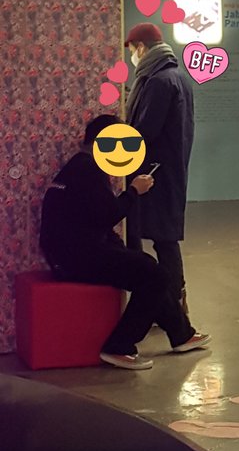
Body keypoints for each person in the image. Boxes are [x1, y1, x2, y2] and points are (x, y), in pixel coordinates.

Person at [39, 114, 210, 371]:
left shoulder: (79, 167)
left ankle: (181, 334)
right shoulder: (89, 171)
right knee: (154, 274)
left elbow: (91, 219)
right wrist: (133, 192)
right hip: (76, 260)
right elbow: (108, 214)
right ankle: (120, 346)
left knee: (149, 270)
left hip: (68, 255)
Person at [125, 23, 193, 315]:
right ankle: (172, 303)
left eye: (132, 50)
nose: (132, 57)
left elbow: (146, 130)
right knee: (165, 239)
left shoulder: (157, 81)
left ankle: (164, 306)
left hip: (152, 172)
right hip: (168, 169)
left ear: (141, 47)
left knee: (151, 239)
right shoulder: (177, 77)